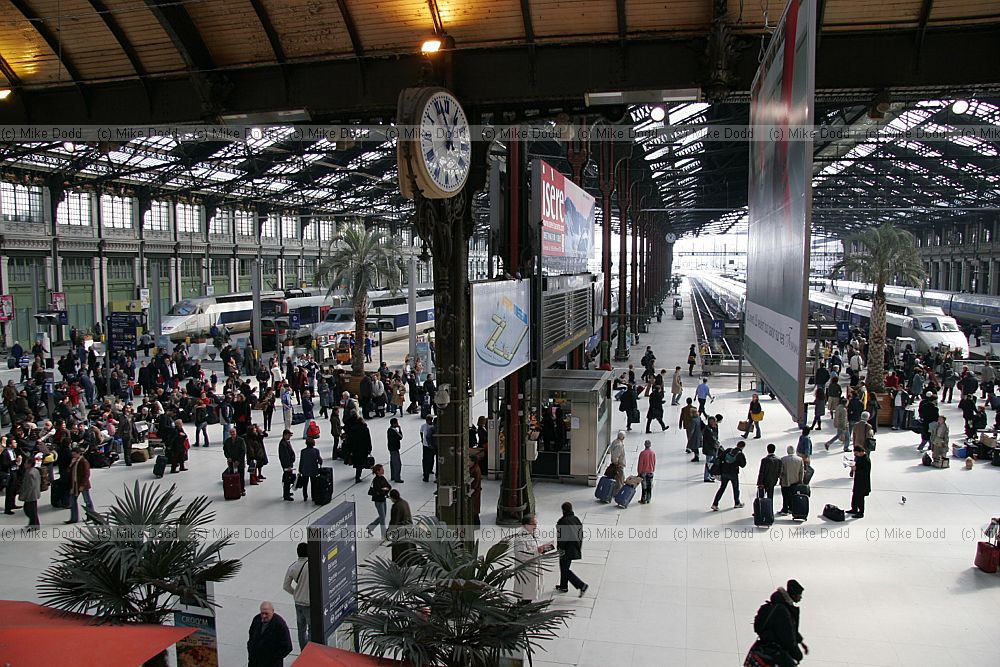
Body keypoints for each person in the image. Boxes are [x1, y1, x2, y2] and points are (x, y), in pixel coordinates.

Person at [751, 580, 808, 667]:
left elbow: (791, 629)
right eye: (799, 595)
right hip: (775, 652)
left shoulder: (780, 606)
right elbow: (787, 636)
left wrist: (800, 641)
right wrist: (798, 655)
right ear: (793, 595)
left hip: (766, 647)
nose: (801, 597)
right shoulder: (783, 611)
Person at [510, 514, 552, 603]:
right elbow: (520, 554)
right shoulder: (520, 538)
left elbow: (537, 546)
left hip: (533, 567)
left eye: (536, 524)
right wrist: (537, 551)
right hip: (526, 570)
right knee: (525, 593)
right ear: (526, 525)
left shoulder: (534, 534)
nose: (536, 526)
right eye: (534, 524)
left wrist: (543, 548)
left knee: (531, 591)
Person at [554, 502, 588, 597]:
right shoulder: (576, 519)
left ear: (563, 510)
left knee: (564, 569)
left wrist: (559, 548)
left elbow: (562, 538)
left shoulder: (563, 521)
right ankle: (563, 586)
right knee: (565, 567)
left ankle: (581, 585)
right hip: (575, 547)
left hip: (566, 549)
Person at [282, 543, 311, 651]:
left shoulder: (292, 567)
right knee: (311, 629)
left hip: (298, 602)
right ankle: (310, 652)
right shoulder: (311, 565)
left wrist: (295, 593)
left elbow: (286, 586)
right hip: (309, 603)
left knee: (301, 629)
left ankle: (303, 651)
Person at [247, 601, 293, 667]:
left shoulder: (279, 624)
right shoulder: (256, 619)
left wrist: (273, 658)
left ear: (272, 611)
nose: (264, 616)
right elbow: (251, 636)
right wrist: (251, 651)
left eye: (266, 613)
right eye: (262, 613)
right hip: (254, 662)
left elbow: (287, 647)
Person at [711, 440, 747, 511]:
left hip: (724, 472)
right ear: (743, 447)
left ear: (737, 444)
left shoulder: (728, 450)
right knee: (735, 488)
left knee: (722, 488)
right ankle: (737, 503)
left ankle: (715, 504)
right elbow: (743, 465)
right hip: (733, 474)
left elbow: (720, 457)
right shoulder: (740, 454)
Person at [65, 447, 94, 524]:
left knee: (87, 501)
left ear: (79, 454)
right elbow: (68, 471)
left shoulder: (83, 462)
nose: (73, 456)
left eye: (75, 454)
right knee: (72, 501)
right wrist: (71, 464)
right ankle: (74, 518)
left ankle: (91, 516)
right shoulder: (74, 461)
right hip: (74, 485)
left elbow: (86, 474)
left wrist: (82, 485)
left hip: (82, 485)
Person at [365, 464, 392, 538]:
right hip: (378, 501)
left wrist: (384, 489)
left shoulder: (382, 478)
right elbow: (379, 491)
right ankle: (384, 534)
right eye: (382, 469)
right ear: (378, 471)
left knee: (382, 516)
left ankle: (371, 527)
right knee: (382, 517)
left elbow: (389, 486)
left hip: (383, 499)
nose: (383, 470)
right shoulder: (375, 480)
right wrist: (384, 490)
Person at [387, 489, 413, 564]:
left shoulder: (396, 506)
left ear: (393, 498)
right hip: (408, 527)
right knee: (409, 547)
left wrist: (389, 531)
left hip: (400, 531)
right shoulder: (405, 502)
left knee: (398, 549)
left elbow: (394, 521)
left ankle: (398, 563)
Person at [778, 446, 804, 516]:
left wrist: (780, 478)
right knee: (793, 495)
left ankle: (785, 509)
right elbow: (801, 471)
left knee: (785, 496)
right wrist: (801, 480)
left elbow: (781, 471)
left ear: (787, 451)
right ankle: (791, 508)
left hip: (785, 480)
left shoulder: (783, 459)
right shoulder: (799, 459)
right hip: (795, 481)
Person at [848, 444, 872, 518]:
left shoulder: (866, 460)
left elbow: (865, 472)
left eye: (856, 453)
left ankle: (861, 512)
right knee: (855, 495)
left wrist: (856, 469)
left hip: (863, 482)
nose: (856, 455)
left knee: (860, 498)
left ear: (861, 452)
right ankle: (854, 509)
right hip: (858, 480)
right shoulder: (859, 458)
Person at [223, 426, 247, 496]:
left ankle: (242, 490)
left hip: (240, 462)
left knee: (241, 476)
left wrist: (238, 461)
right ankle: (234, 490)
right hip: (231, 462)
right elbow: (225, 450)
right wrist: (228, 457)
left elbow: (243, 451)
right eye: (231, 432)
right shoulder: (227, 441)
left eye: (233, 432)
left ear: (236, 432)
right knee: (232, 476)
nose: (232, 433)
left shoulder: (241, 440)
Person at [19, 455, 41, 529]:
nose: (24, 464)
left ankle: (35, 525)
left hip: (30, 495)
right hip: (35, 493)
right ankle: (32, 523)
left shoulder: (29, 473)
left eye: (26, 463)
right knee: (31, 510)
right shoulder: (35, 470)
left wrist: (24, 495)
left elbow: (30, 486)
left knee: (30, 511)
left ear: (30, 464)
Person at [700, 415, 720, 482]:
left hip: (712, 449)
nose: (716, 423)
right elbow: (712, 439)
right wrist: (716, 445)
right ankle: (706, 477)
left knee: (711, 463)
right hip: (709, 449)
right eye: (714, 421)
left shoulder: (713, 428)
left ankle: (709, 475)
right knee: (709, 463)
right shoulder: (708, 430)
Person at [278, 430, 296, 501]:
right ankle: (286, 495)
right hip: (287, 465)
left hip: (289, 464)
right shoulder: (283, 444)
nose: (289, 437)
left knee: (288, 478)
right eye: (288, 435)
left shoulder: (286, 442)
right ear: (284, 435)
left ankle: (287, 492)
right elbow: (285, 457)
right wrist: (288, 466)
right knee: (287, 480)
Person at [387, 417, 404, 483]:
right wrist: (400, 429)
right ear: (394, 424)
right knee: (397, 464)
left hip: (391, 448)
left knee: (392, 463)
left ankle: (393, 476)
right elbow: (400, 437)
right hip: (395, 449)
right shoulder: (394, 431)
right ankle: (397, 478)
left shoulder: (389, 430)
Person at [420, 416, 436, 483]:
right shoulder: (424, 426)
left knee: (431, 458)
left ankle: (430, 469)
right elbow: (421, 432)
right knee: (426, 459)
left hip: (430, 446)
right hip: (426, 445)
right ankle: (426, 472)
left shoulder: (433, 427)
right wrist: (422, 439)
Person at [468, 454, 482, 527]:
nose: (468, 462)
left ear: (473, 461)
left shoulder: (475, 470)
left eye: (469, 460)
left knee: (474, 509)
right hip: (475, 492)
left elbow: (475, 483)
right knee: (474, 509)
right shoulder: (474, 468)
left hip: (474, 493)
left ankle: (476, 525)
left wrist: (471, 491)